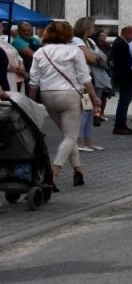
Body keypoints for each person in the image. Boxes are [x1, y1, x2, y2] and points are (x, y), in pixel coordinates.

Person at [32, 20, 101, 189]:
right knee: (70, 137)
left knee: (67, 135)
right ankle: (53, 174)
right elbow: (84, 77)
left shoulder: (40, 52)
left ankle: (78, 171)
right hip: (69, 95)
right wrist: (93, 96)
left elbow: (33, 81)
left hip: (47, 95)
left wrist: (31, 102)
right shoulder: (73, 51)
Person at [73, 17, 110, 152]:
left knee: (91, 110)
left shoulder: (89, 41)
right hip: (84, 81)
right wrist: (97, 58)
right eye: (92, 26)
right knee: (85, 110)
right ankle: (79, 141)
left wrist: (97, 58)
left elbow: (100, 57)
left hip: (93, 78)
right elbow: (92, 58)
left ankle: (88, 140)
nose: (94, 28)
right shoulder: (77, 41)